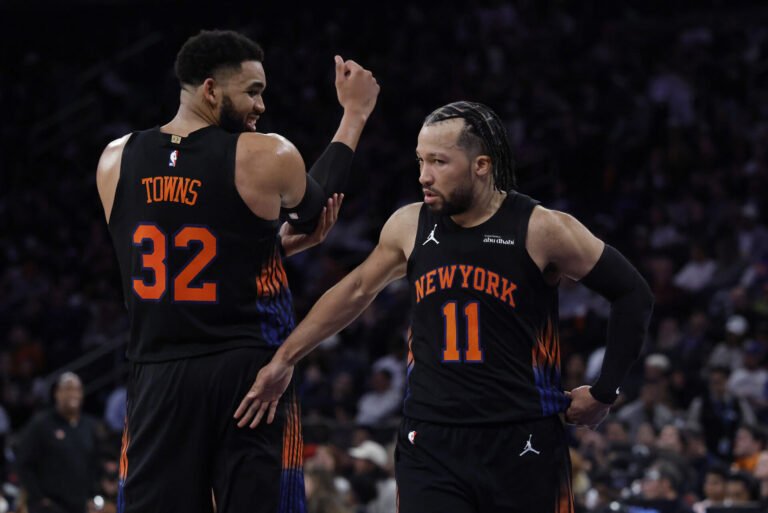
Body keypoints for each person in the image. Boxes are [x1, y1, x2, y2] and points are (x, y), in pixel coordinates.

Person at [236, 101, 654, 512]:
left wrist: (605, 392)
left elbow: (633, 293)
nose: (424, 175)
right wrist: (285, 359)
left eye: (438, 161)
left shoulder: (541, 227)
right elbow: (357, 289)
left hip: (522, 437)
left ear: (481, 165)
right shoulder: (409, 224)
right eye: (420, 161)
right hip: (430, 440)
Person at [95, 29, 379, 513]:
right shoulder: (264, 153)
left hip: (157, 371)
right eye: (253, 91)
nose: (261, 105)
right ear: (211, 89)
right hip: (248, 371)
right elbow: (316, 211)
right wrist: (354, 114)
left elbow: (177, 252)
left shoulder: (115, 158)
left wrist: (266, 250)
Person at [16, 372, 100, 513]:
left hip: (80, 506)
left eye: (77, 389)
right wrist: (40, 498)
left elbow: (94, 464)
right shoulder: (41, 424)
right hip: (49, 507)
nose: (73, 394)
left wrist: (93, 495)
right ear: (57, 393)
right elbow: (23, 463)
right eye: (68, 388)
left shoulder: (90, 426)